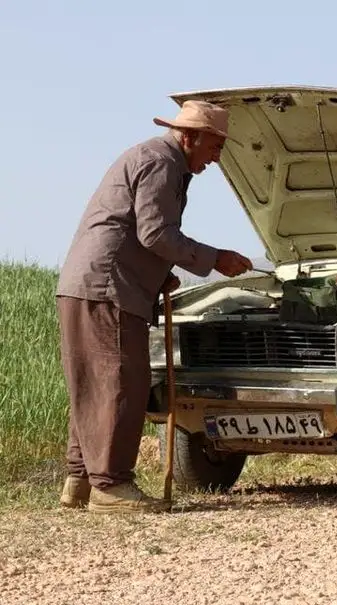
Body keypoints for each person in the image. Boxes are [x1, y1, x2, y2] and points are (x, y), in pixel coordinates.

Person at [55, 100, 254, 513]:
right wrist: (215, 258)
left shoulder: (155, 158)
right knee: (121, 384)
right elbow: (155, 232)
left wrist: (158, 274)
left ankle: (81, 482)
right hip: (110, 287)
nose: (215, 159)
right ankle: (111, 486)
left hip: (88, 284)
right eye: (214, 147)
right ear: (190, 137)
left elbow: (136, 231)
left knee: (95, 384)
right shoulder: (162, 163)